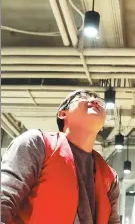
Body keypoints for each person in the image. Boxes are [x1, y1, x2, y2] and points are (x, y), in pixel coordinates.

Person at [1, 90, 120, 224]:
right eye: (83, 97)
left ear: (102, 126)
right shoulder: (38, 144)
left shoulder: (110, 177)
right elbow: (3, 199)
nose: (93, 100)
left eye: (98, 100)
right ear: (63, 114)